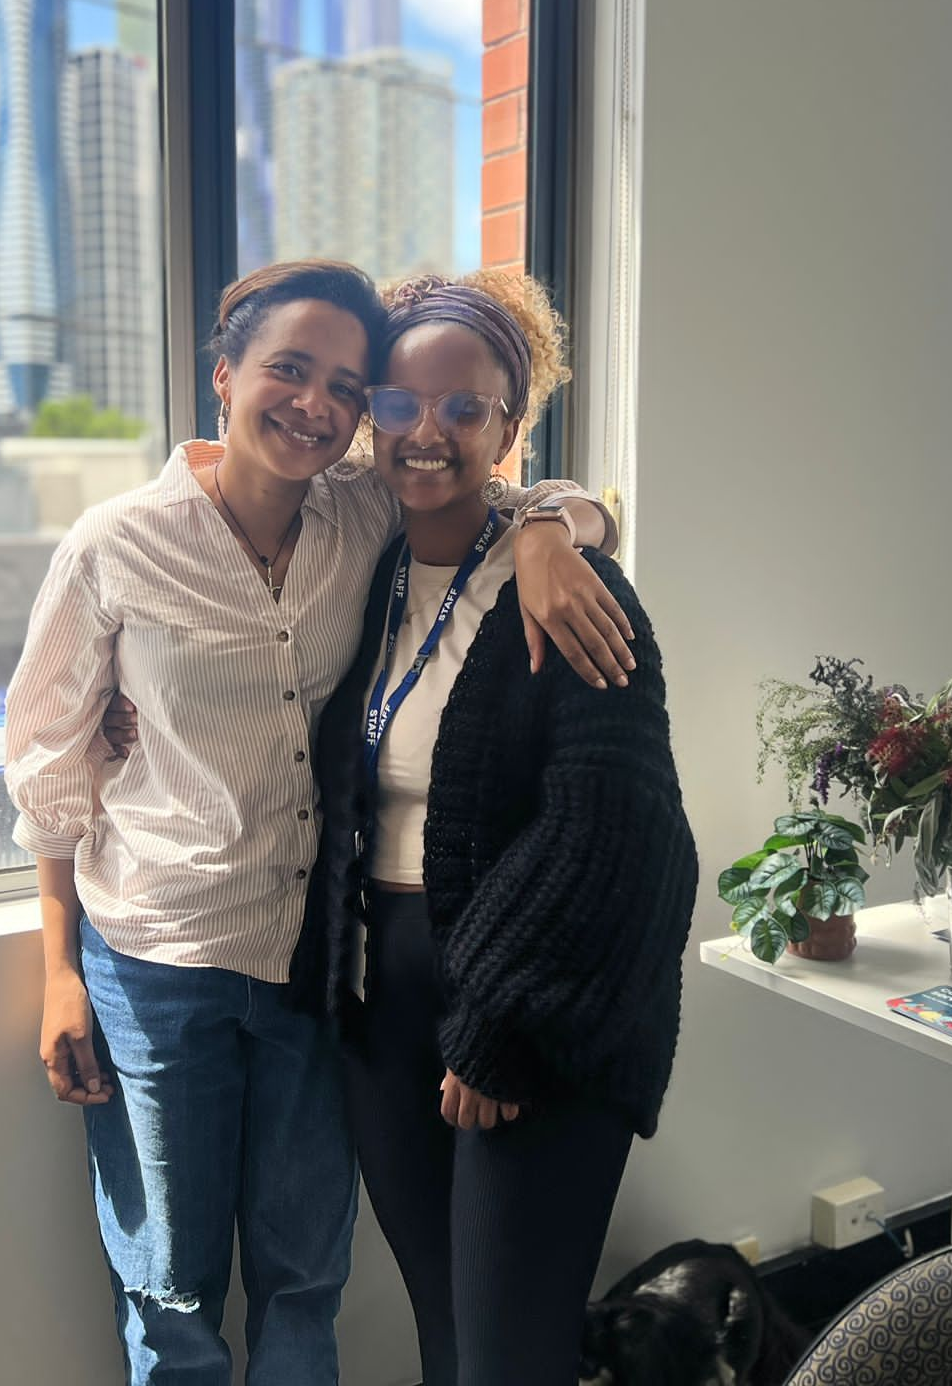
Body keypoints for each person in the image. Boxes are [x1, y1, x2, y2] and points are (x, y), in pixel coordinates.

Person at [0, 258, 631, 1386]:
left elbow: (516, 486)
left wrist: (555, 530)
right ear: (223, 377)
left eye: (343, 385)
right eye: (288, 371)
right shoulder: (114, 545)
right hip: (156, 965)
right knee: (171, 1289)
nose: (316, 403)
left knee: (305, 1279)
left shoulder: (359, 514)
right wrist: (57, 970)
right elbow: (45, 763)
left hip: (310, 966)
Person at [306, 270, 699, 1386]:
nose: (423, 432)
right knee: (443, 1330)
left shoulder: (565, 587)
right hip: (384, 1005)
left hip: (528, 1010)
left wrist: (502, 1026)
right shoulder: (365, 569)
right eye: (396, 403)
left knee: (507, 1357)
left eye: (462, 407)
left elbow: (616, 833)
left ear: (508, 426)